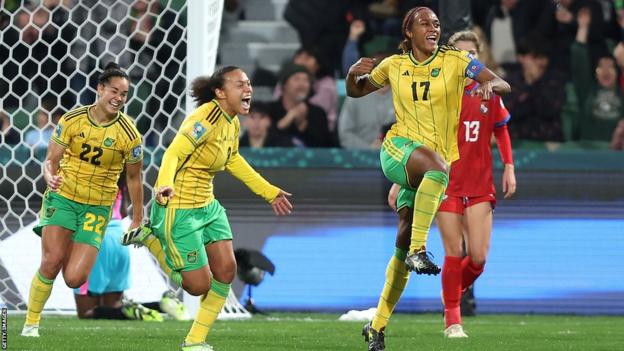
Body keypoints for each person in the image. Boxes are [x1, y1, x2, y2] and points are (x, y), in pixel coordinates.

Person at [345, 7, 511, 351]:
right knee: (437, 170)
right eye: (425, 23)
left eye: (436, 23)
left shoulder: (456, 60)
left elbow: (502, 82)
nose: (433, 27)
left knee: (402, 242)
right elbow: (356, 91)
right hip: (398, 149)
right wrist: (350, 74)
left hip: (429, 167)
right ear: (409, 32)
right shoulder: (393, 65)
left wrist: (489, 86)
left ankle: (376, 326)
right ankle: (421, 251)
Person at [123, 66, 293, 351]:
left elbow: (233, 161)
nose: (248, 88)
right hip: (178, 207)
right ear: (220, 92)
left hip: (208, 206)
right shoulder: (203, 119)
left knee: (226, 271)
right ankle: (150, 238)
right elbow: (173, 152)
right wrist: (163, 184)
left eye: (249, 83)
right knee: (197, 286)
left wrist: (269, 191)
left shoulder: (233, 122)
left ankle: (194, 341)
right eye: (240, 84)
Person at [390, 30, 517, 338]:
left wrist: (509, 167)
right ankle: (453, 320)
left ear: (478, 56)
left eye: (471, 53)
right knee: (453, 252)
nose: (466, 59)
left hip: (480, 184)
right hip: (445, 183)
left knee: (478, 257)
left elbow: (500, 129)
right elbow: (414, 139)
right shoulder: (437, 95)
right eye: (460, 54)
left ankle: (450, 293)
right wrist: (401, 181)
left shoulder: (488, 92)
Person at [21, 62, 144, 338]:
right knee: (51, 262)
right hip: (63, 197)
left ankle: (65, 247)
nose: (119, 98)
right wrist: (49, 176)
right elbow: (50, 160)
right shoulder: (72, 119)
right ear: (100, 89)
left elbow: (135, 179)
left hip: (97, 208)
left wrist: (137, 218)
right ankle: (31, 324)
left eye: (124, 94)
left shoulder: (130, 134)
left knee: (75, 278)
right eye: (114, 90)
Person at [74, 177, 190, 322]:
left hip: (94, 238)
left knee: (85, 312)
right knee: (114, 307)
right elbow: (122, 212)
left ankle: (135, 309)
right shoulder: (118, 178)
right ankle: (162, 305)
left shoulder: (82, 175)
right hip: (118, 237)